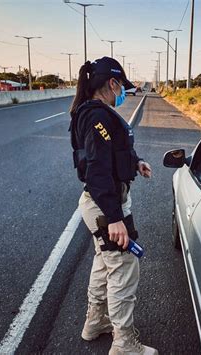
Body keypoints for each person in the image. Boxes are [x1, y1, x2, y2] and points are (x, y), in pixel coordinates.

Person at [69, 57, 157, 355]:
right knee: (123, 267)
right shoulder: (96, 117)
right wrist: (115, 217)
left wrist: (137, 162)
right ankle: (124, 344)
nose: (124, 94)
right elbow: (97, 169)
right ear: (112, 83)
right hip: (104, 205)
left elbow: (111, 153)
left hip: (101, 202)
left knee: (103, 261)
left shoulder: (96, 114)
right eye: (122, 87)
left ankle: (95, 321)